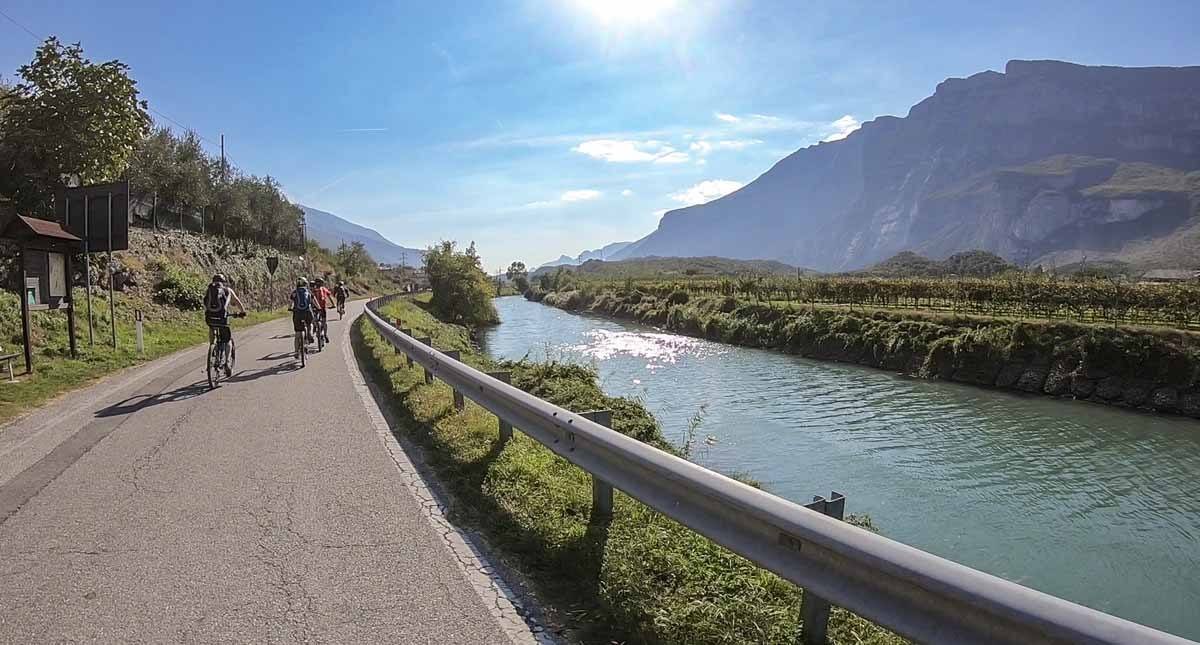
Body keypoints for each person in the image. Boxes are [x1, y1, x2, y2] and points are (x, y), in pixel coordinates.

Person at [204, 273, 246, 375]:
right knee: (227, 341)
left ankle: (212, 347)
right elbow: (237, 301)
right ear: (223, 282)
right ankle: (227, 363)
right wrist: (242, 312)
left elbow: (205, 303)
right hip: (222, 319)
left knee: (212, 329)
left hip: (210, 318)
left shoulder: (209, 290)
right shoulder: (228, 290)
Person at [289, 277, 315, 348]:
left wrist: (290, 308)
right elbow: (313, 302)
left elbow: (291, 303)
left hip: (297, 313)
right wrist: (318, 308)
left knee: (297, 333)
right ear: (305, 284)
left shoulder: (294, 292)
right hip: (307, 312)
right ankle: (310, 334)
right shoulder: (308, 292)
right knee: (310, 323)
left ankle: (296, 351)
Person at [311, 278, 333, 344]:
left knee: (313, 322)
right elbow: (329, 296)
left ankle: (312, 334)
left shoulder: (312, 290)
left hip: (314, 309)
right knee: (324, 322)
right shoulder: (323, 289)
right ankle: (325, 335)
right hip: (322, 308)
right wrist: (333, 304)